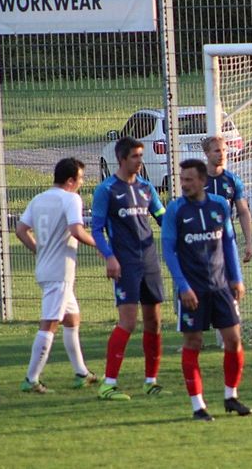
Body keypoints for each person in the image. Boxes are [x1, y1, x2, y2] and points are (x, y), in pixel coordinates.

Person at [162, 159, 251, 420]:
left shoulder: (219, 205)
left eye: (189, 179)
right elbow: (168, 251)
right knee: (194, 342)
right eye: (182, 179)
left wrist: (236, 278)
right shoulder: (175, 210)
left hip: (221, 286)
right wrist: (183, 286)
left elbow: (229, 243)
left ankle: (231, 396)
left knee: (233, 340)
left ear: (202, 181)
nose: (184, 184)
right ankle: (198, 406)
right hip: (193, 290)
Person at [91, 137, 168, 400]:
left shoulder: (146, 188)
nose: (139, 161)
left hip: (149, 260)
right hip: (125, 263)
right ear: (121, 159)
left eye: (141, 156)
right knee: (129, 321)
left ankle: (151, 381)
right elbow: (97, 230)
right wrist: (110, 257)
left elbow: (162, 217)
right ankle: (108, 384)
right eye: (135, 156)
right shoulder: (107, 190)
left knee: (154, 321)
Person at [15, 158, 100, 393]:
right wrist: (101, 246)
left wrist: (40, 250)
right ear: (71, 180)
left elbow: (20, 230)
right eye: (81, 178)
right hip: (59, 272)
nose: (82, 183)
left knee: (72, 320)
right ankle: (31, 379)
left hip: (46, 268)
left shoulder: (39, 198)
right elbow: (76, 230)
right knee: (49, 324)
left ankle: (81, 372)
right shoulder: (71, 198)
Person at [202, 135, 252, 349]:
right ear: (206, 153)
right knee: (201, 287)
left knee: (231, 286)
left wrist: (248, 242)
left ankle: (229, 334)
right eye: (217, 150)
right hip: (200, 244)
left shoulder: (232, 180)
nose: (222, 154)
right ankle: (195, 336)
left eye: (224, 150)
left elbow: (243, 211)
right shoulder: (198, 179)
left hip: (225, 243)